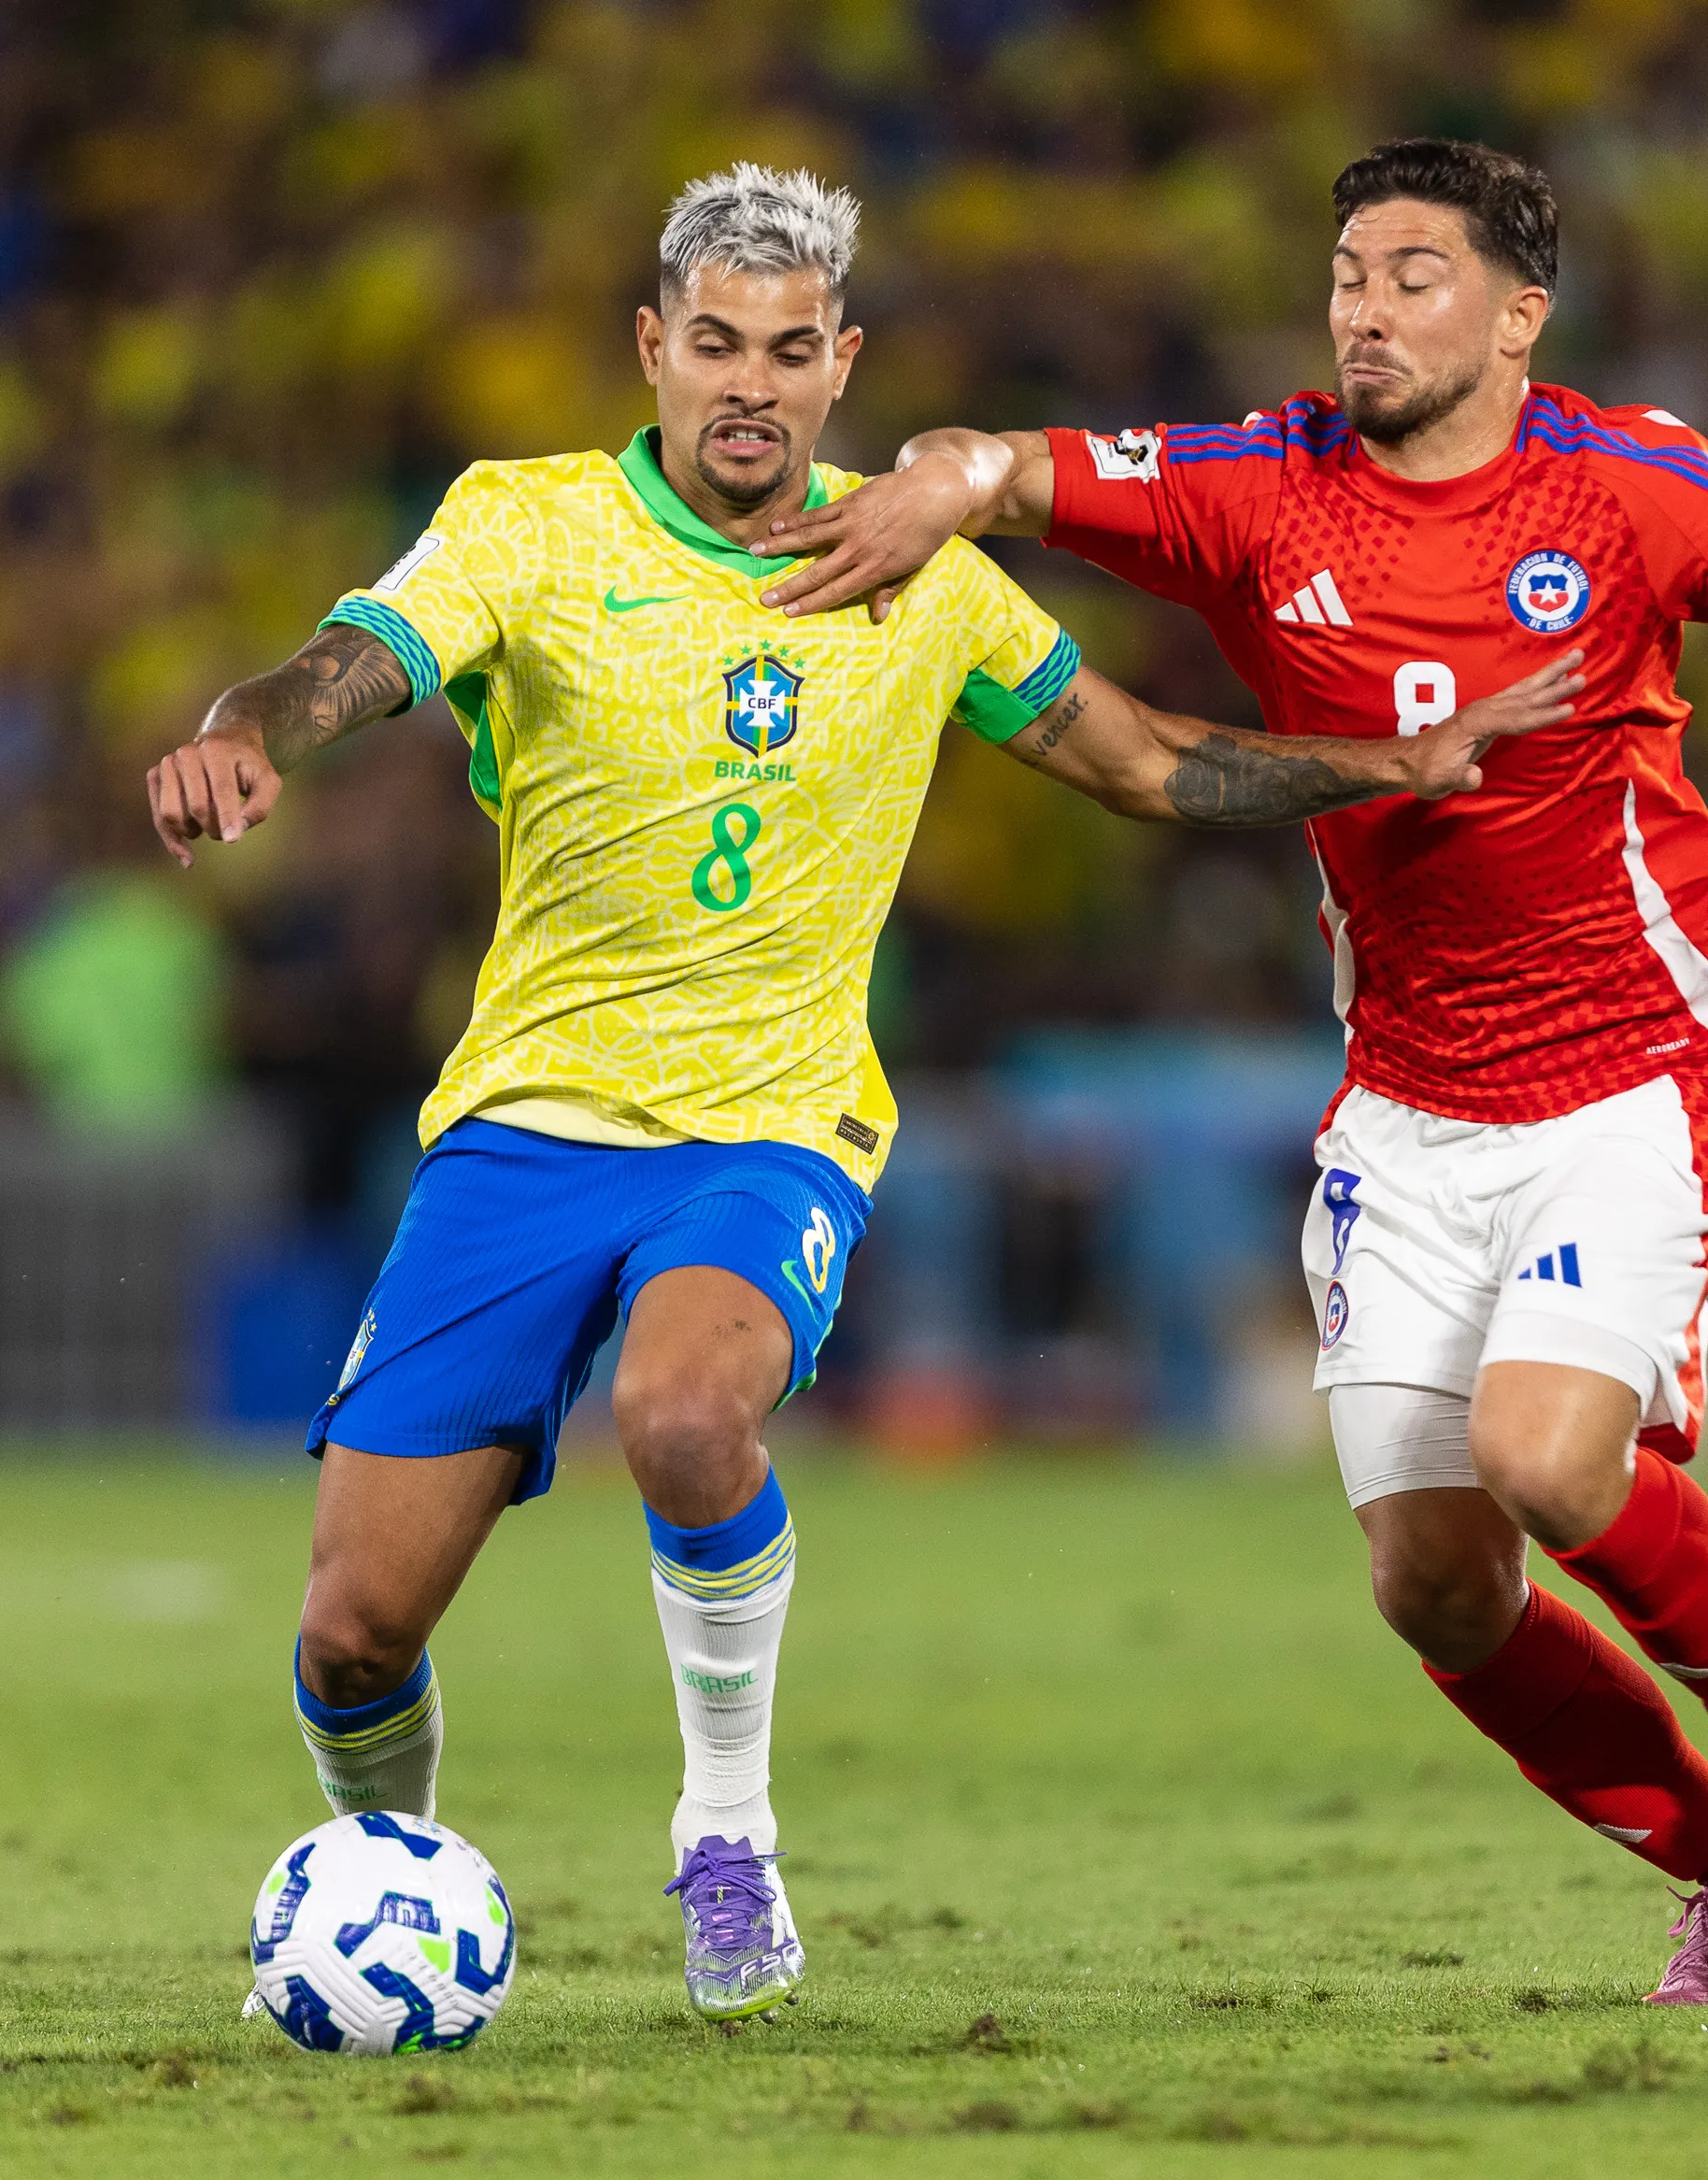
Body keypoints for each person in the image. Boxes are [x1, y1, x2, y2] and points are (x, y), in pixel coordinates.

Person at [759, 136, 1708, 2004]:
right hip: (1406, 1107)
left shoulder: (1632, 486)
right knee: (1433, 1578)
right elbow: (1001, 464)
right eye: (1345, 269)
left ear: (1517, 313)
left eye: (1413, 273)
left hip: (1626, 1078)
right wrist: (933, 485)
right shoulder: (1254, 489)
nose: (1363, 306)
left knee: (1542, 1451)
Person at [145, 163, 1576, 2029]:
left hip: (770, 1123)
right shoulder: (529, 528)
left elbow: (1143, 761)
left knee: (683, 1408)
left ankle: (724, 1834)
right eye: (715, 345)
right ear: (651, 349)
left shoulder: (922, 575)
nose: (749, 383)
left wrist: (1398, 757)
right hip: (527, 1123)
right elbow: (360, 659)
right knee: (353, 1627)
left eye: (791, 349)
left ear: (845, 365)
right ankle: (384, 1878)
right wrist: (252, 725)